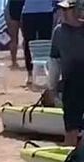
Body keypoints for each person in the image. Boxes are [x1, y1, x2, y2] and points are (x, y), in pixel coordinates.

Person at [49, 0, 84, 145]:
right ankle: (70, 161)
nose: (61, 13)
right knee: (71, 128)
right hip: (71, 83)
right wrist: (52, 88)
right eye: (61, 10)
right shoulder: (58, 31)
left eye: (65, 10)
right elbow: (54, 61)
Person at [22, 0, 55, 87]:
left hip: (46, 10)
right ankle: (29, 73)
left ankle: (48, 73)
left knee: (46, 43)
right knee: (28, 43)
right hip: (29, 11)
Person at [7, 0, 24, 68]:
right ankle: (27, 60)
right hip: (24, 6)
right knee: (26, 37)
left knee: (13, 39)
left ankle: (14, 61)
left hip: (13, 6)